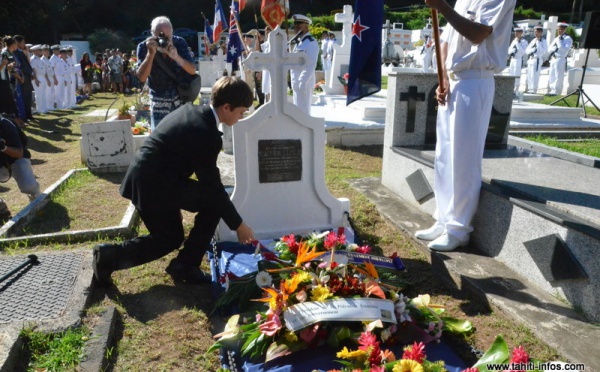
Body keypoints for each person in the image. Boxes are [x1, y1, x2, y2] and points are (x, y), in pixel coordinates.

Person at [92, 76, 256, 286]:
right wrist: (239, 225)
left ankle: (185, 265)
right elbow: (212, 187)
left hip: (158, 178)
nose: (241, 118)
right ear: (226, 107)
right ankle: (109, 257)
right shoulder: (205, 133)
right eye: (241, 112)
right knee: (169, 238)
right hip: (152, 185)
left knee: (195, 217)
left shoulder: (193, 111)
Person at [415, 0, 516, 251]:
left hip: (476, 79)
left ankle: (459, 229)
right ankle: (443, 218)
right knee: (444, 157)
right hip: (454, 80)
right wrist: (442, 78)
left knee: (464, 158)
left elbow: (478, 33)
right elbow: (447, 41)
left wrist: (444, 8)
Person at [136, 16, 196, 130]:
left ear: (172, 32)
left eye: (168, 36)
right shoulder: (144, 47)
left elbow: (192, 70)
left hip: (181, 100)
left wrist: (177, 57)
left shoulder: (179, 42)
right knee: (160, 142)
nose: (164, 40)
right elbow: (142, 78)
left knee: (182, 140)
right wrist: (150, 54)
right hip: (159, 103)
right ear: (152, 34)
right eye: (160, 36)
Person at [0, 113, 41, 201]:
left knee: (28, 187)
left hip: (16, 160)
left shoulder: (5, 124)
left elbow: (19, 153)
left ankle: (36, 196)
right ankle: (1, 207)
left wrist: (3, 148)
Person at [289, 14, 318, 115]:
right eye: (295, 26)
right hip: (296, 81)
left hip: (304, 82)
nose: (296, 29)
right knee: (298, 111)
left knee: (304, 112)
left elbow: (311, 64)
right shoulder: (299, 42)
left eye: (299, 26)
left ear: (306, 26)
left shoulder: (311, 42)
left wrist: (302, 81)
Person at [547, 22, 572, 96]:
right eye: (559, 29)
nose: (559, 31)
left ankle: (557, 91)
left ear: (565, 29)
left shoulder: (567, 38)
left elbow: (564, 49)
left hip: (560, 59)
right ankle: (552, 90)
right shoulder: (557, 38)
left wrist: (559, 42)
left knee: (558, 76)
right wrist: (554, 48)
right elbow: (549, 49)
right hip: (553, 58)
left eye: (561, 29)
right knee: (552, 75)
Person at [13, 36, 34, 121]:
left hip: (27, 77)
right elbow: (20, 66)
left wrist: (31, 72)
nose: (24, 44)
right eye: (22, 42)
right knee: (24, 97)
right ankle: (24, 115)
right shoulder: (14, 52)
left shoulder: (21, 52)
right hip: (22, 77)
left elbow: (27, 64)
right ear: (17, 42)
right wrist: (28, 72)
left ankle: (29, 114)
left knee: (28, 96)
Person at [525, 26, 547, 94]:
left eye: (537, 31)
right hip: (531, 59)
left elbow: (544, 51)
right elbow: (527, 51)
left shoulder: (543, 41)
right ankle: (530, 89)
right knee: (530, 75)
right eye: (535, 31)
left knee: (535, 76)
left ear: (540, 32)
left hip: (537, 60)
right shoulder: (533, 40)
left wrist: (538, 44)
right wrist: (532, 50)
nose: (535, 33)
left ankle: (534, 90)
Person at [29, 45, 50, 114]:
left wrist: (46, 79)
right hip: (37, 77)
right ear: (35, 51)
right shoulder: (33, 59)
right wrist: (36, 79)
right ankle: (40, 109)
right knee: (39, 93)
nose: (41, 52)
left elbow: (44, 70)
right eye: (39, 50)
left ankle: (44, 108)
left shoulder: (39, 59)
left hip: (42, 77)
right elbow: (33, 69)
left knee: (43, 93)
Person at [507, 27, 528, 93]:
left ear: (521, 33)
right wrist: (511, 51)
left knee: (517, 73)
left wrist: (518, 44)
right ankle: (510, 88)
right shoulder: (514, 40)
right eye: (515, 32)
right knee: (511, 73)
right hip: (512, 59)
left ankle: (516, 89)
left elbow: (523, 51)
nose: (516, 33)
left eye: (518, 32)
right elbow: (509, 50)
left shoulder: (524, 41)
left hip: (518, 59)